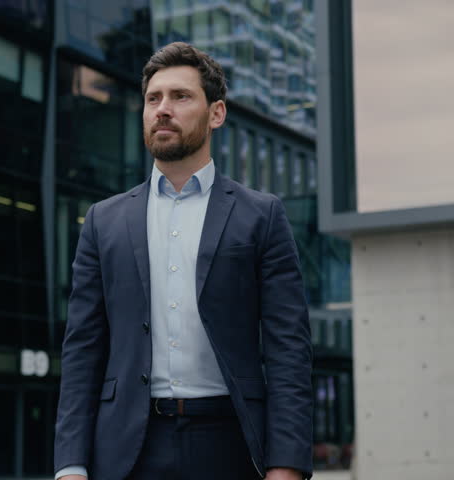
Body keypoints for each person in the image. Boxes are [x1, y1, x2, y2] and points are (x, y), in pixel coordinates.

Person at [53, 42, 312, 480]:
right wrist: (71, 466)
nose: (163, 109)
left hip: (230, 444)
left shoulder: (261, 215)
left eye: (180, 96)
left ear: (217, 114)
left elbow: (289, 349)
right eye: (153, 98)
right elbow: (82, 350)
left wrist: (285, 466)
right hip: (126, 452)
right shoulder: (103, 221)